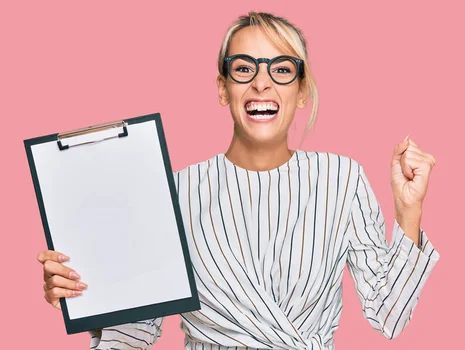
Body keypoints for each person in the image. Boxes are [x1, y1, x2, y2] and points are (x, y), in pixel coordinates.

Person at [36, 11, 441, 350]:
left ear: (301, 91)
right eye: (244, 68)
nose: (261, 82)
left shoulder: (342, 179)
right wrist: (86, 294)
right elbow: (135, 331)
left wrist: (408, 210)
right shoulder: (174, 192)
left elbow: (389, 315)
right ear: (223, 88)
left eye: (281, 69)